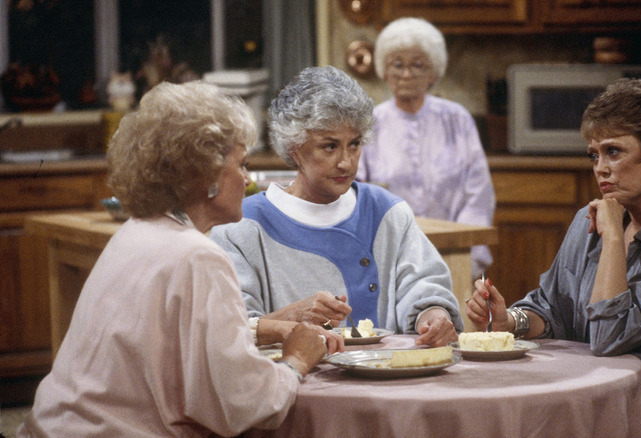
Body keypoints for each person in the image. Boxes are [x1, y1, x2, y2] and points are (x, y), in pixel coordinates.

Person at [17, 81, 343, 437]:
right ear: (206, 176)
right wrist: (296, 361)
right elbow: (243, 406)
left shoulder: (136, 231)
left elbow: (167, 340)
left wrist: (262, 330)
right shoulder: (198, 256)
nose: (248, 180)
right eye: (241, 164)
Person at [465, 79, 641, 437]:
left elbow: (609, 337)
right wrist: (512, 321)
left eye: (614, 152)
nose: (600, 167)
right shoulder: (590, 219)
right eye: (594, 155)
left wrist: (613, 238)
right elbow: (553, 308)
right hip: (598, 394)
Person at [210, 66, 462, 348]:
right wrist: (291, 318)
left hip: (390, 373)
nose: (346, 162)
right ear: (295, 148)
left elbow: (424, 287)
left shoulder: (386, 211)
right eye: (330, 146)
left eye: (354, 144)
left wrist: (434, 317)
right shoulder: (241, 225)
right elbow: (231, 332)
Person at [356, 17, 495, 279]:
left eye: (418, 65)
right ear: (384, 71)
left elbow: (478, 193)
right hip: (388, 256)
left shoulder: (457, 119)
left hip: (454, 253)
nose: (406, 74)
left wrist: (464, 247)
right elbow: (358, 192)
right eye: (398, 64)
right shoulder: (369, 124)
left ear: (433, 72)